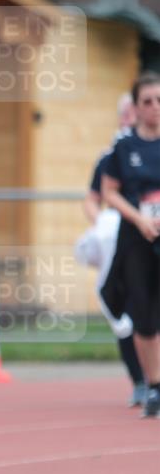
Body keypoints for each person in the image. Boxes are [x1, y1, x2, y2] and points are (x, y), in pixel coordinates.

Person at [79, 93, 145, 407]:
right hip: (121, 244)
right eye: (128, 114)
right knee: (124, 310)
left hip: (151, 241)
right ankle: (139, 380)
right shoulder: (111, 157)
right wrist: (102, 222)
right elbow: (93, 198)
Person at [101, 72, 160, 418]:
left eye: (159, 100)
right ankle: (153, 385)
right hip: (136, 240)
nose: (155, 107)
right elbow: (109, 191)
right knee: (144, 315)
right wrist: (140, 220)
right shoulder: (124, 146)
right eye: (147, 101)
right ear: (136, 107)